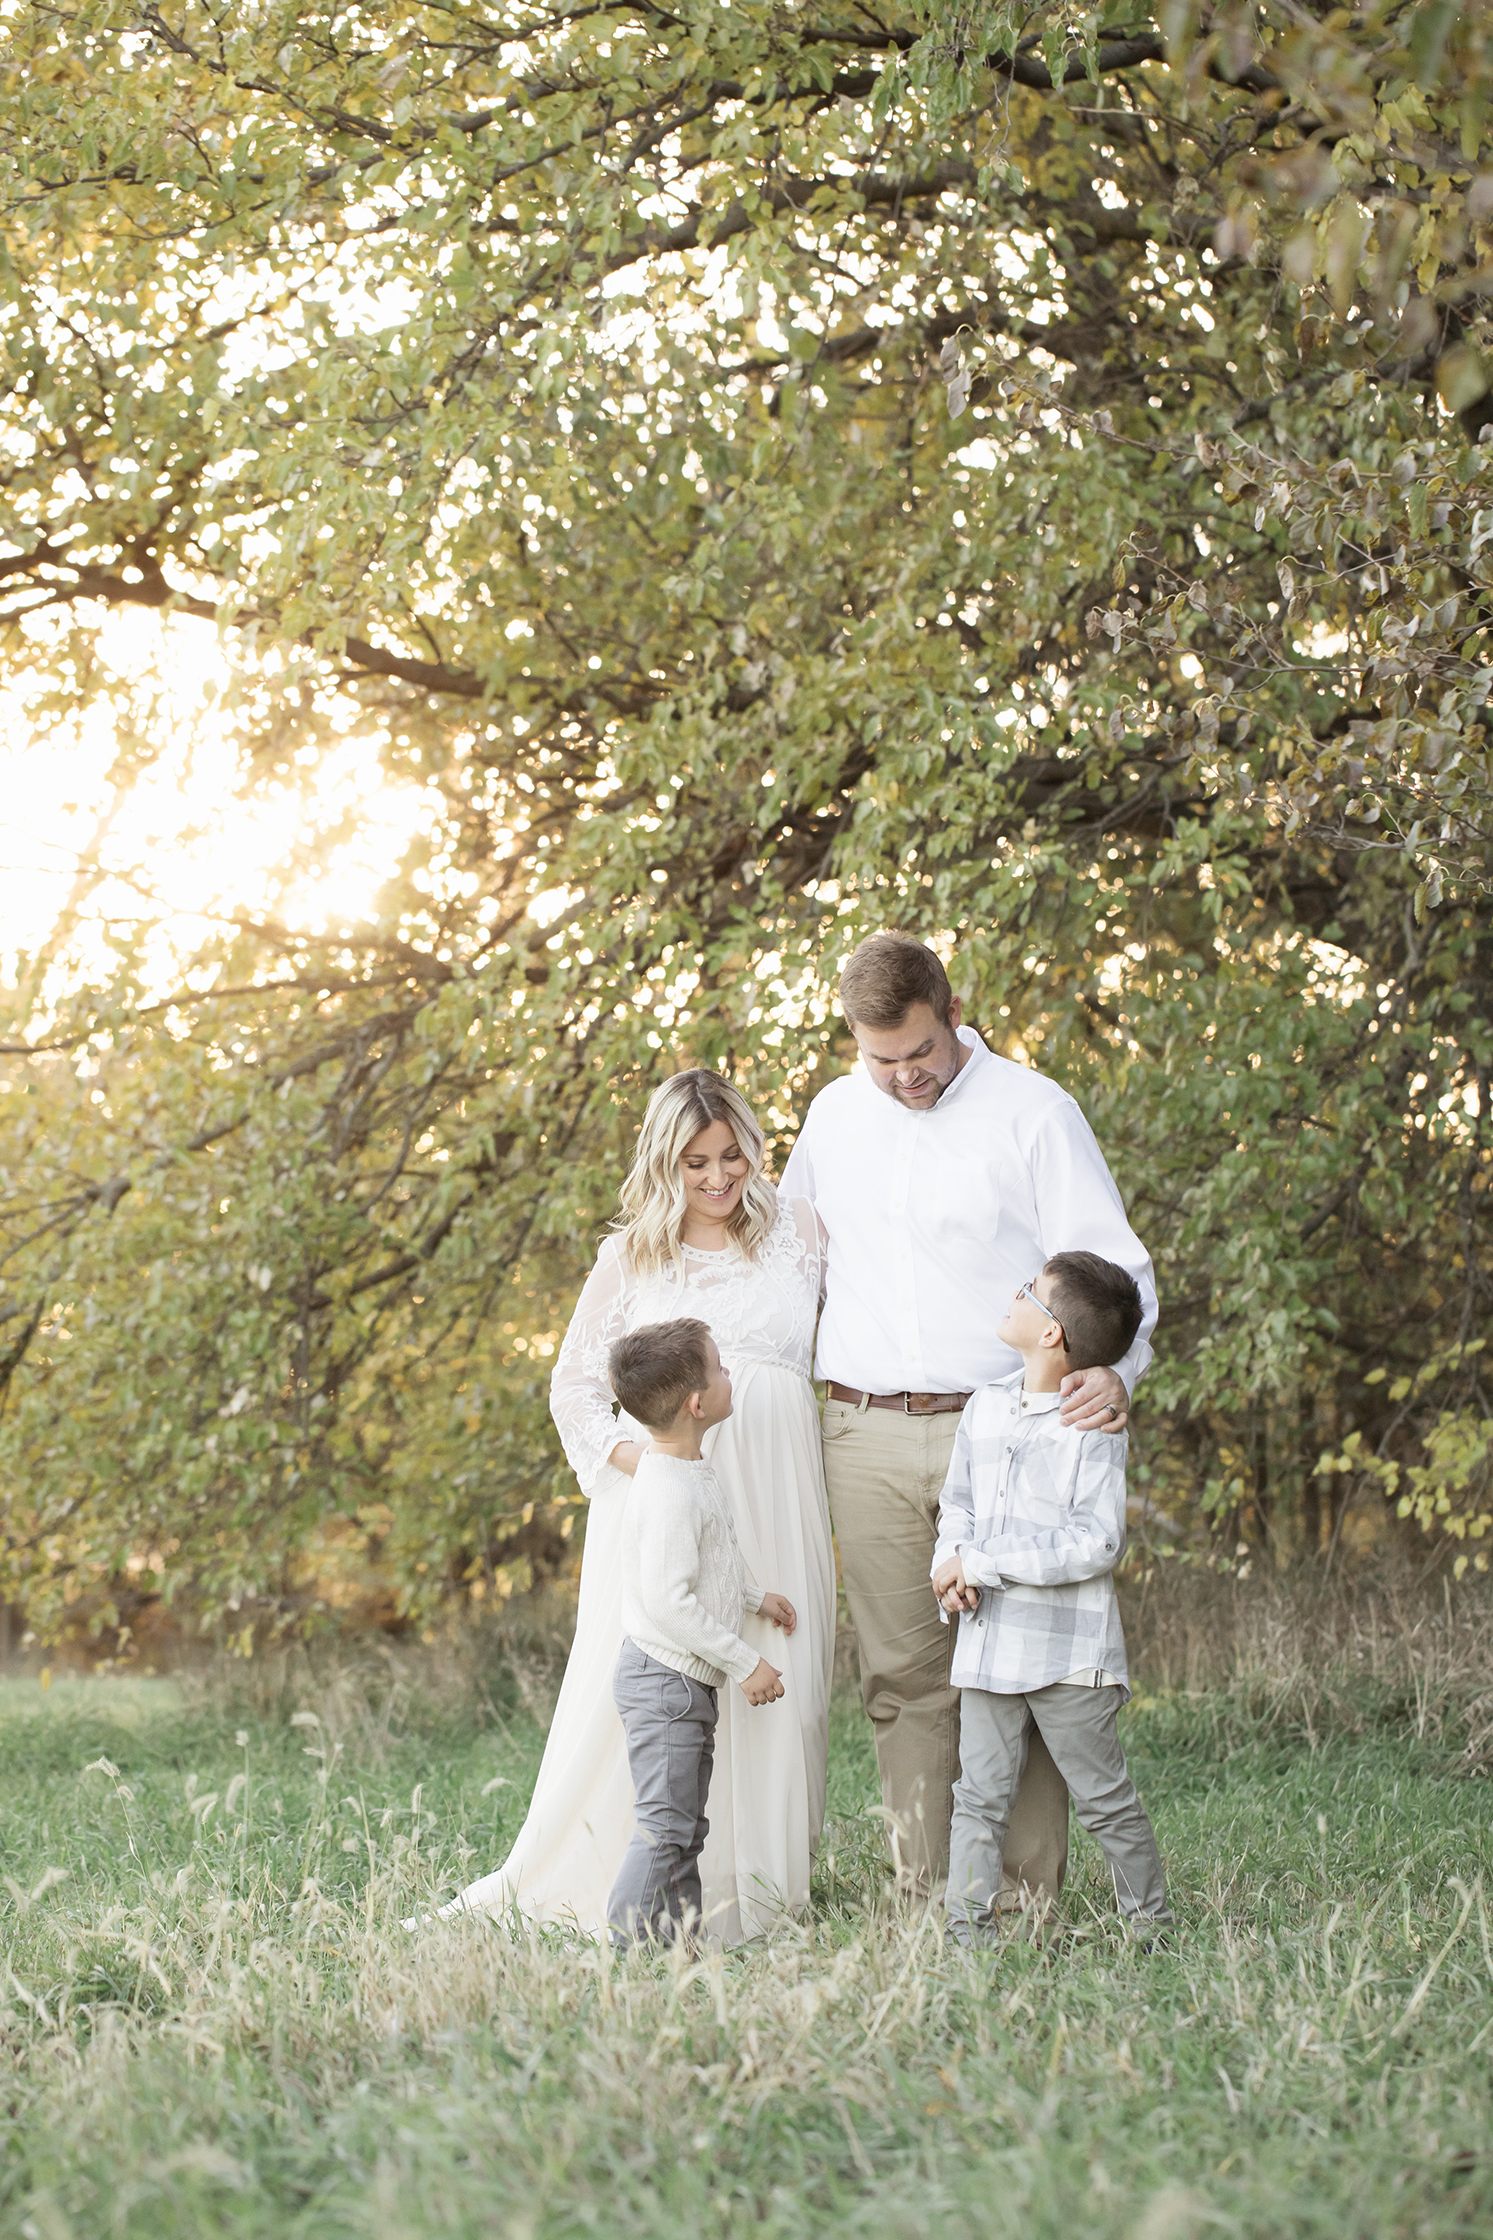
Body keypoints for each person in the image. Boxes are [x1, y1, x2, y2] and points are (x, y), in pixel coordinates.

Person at [781, 932, 1157, 1898]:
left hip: (1003, 1434)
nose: (905, 1077)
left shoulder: (1034, 1112)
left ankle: (1023, 1904)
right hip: (859, 1430)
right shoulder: (831, 1117)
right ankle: (931, 1904)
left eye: (920, 1055)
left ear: (953, 1016)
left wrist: (1122, 1371)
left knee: (1017, 1675)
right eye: (881, 1061)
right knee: (902, 1681)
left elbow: (1116, 1269)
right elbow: (791, 1268)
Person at [441, 1071, 835, 1945]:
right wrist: (640, 1460)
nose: (718, 1177)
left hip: (779, 1489)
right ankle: (635, 1894)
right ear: (665, 1161)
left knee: (786, 1683)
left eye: (733, 1155)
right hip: (661, 1503)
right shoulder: (631, 1257)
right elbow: (574, 1385)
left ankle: (760, 1897)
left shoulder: (799, 1231)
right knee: (666, 1691)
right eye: (695, 1161)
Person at [932, 1254, 1171, 1943]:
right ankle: (966, 1936)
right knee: (976, 1799)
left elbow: (1094, 1543)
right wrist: (949, 1560)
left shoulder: (1090, 1427)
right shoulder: (984, 1407)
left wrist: (984, 1561)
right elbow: (958, 1505)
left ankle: (1148, 1928)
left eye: (1028, 1294)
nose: (1012, 1296)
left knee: (1103, 1799)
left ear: (1050, 1336)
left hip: (1067, 1654)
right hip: (987, 1644)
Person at [606, 1317, 798, 1948]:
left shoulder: (687, 1471)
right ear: (697, 1403)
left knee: (686, 1827)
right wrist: (746, 1662)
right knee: (664, 1828)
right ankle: (626, 1949)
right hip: (665, 1684)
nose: (728, 1376)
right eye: (719, 1369)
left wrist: (752, 1597)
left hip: (682, 1685)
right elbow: (669, 1602)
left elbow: (703, 1569)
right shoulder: (667, 1490)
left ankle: (681, 1947)